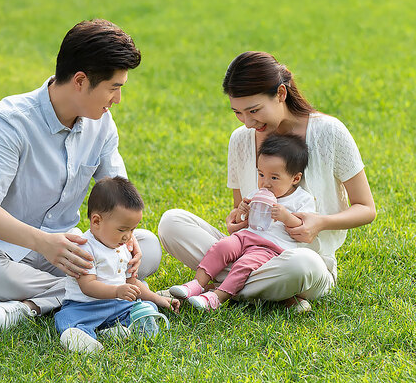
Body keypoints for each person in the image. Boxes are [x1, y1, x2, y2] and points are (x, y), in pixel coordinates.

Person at [0, 19, 163, 336]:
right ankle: (100, 294)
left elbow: (118, 191)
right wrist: (43, 243)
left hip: (70, 252)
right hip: (5, 250)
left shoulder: (102, 124)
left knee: (148, 246)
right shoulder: (9, 120)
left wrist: (129, 238)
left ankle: (33, 306)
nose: (117, 99)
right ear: (80, 81)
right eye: (114, 88)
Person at [158, 51, 376, 312]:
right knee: (171, 222)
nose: (248, 122)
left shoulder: (329, 132)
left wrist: (320, 223)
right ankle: (265, 294)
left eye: (254, 110)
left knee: (303, 265)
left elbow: (366, 208)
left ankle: (219, 288)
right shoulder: (240, 139)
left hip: (300, 260)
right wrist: (237, 221)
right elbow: (242, 213)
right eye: (238, 112)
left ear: (281, 94)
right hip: (248, 251)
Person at [169, 134, 315, 311]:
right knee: (221, 247)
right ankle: (196, 284)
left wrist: (286, 217)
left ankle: (217, 297)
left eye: (274, 178)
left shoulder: (301, 199)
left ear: (295, 178)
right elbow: (240, 221)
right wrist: (241, 212)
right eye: (261, 174)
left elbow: (303, 229)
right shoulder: (257, 193)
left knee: (244, 265)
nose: (266, 183)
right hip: (245, 237)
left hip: (269, 249)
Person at [55, 177, 179, 353]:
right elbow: (87, 286)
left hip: (117, 305)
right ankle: (79, 336)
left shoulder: (122, 246)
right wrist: (116, 291)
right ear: (96, 221)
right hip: (85, 306)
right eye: (122, 230)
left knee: (145, 306)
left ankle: (116, 331)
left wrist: (158, 299)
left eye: (132, 230)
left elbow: (132, 283)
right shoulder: (85, 247)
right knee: (68, 318)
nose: (128, 236)